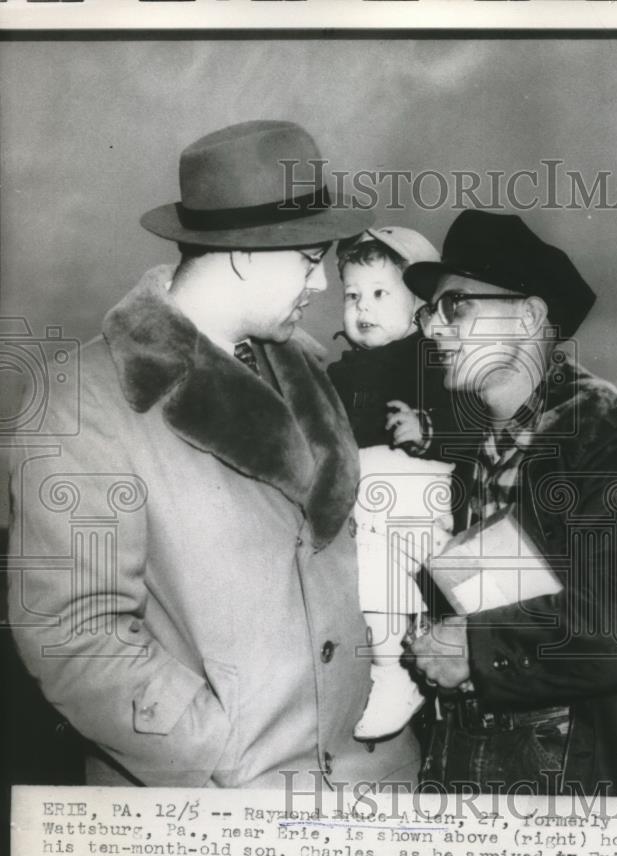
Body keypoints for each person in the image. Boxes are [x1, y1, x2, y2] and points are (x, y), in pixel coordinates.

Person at [6, 120, 419, 790]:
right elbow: (74, 633)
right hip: (216, 811)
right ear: (243, 252)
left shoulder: (311, 369)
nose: (321, 286)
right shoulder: (79, 399)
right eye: (312, 259)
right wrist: (221, 752)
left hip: (368, 790)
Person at [403, 209, 617, 797]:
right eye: (428, 312)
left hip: (588, 780)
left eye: (455, 306)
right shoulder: (473, 466)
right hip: (472, 766)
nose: (431, 329)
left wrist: (479, 647)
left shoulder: (616, 450)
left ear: (530, 315)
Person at [327, 228, 455, 741]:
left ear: (422, 308)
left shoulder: (433, 360)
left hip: (422, 507)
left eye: (381, 293)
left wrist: (433, 432)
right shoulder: (337, 375)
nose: (364, 307)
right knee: (360, 565)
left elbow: (479, 425)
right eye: (353, 295)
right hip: (372, 511)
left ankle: (395, 670)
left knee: (378, 565)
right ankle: (384, 658)